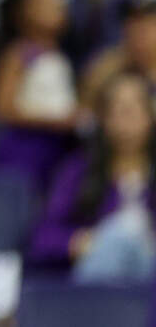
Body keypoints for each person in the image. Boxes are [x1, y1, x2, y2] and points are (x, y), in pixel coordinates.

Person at [30, 72, 156, 283]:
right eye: (115, 111)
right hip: (101, 267)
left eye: (131, 110)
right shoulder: (79, 169)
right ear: (103, 119)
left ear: (150, 115)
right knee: (118, 236)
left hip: (149, 273)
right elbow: (42, 237)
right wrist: (79, 241)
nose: (124, 122)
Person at [0, 0, 79, 190]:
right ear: (24, 9)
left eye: (59, 1)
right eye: (44, 1)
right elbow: (2, 108)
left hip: (58, 148)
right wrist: (52, 120)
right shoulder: (18, 54)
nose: (55, 6)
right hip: (26, 149)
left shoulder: (63, 56)